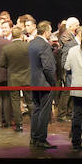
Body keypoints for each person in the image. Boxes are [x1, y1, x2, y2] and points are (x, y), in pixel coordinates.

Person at [27, 20, 58, 148]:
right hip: (44, 83)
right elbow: (48, 68)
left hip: (34, 82)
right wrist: (53, 83)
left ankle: (34, 138)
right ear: (45, 32)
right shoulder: (44, 45)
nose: (50, 33)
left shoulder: (32, 43)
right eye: (50, 31)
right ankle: (41, 139)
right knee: (44, 112)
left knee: (36, 110)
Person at [0, 26, 30, 132]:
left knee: (15, 103)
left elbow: (1, 64)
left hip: (13, 79)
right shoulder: (28, 46)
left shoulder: (7, 48)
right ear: (21, 35)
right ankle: (35, 122)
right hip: (27, 78)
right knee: (30, 101)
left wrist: (11, 66)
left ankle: (19, 125)